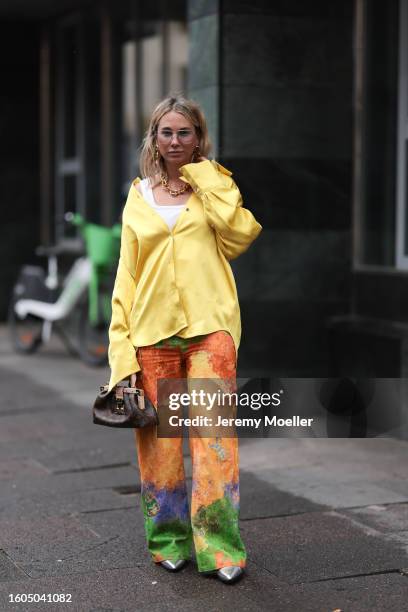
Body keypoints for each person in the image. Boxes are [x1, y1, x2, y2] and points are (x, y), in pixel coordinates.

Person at [107, 93, 262, 584]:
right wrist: (120, 351)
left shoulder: (213, 186)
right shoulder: (138, 196)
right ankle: (169, 541)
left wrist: (205, 177)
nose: (175, 141)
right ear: (154, 138)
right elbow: (126, 277)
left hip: (209, 330)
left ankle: (220, 549)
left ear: (199, 137)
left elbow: (240, 236)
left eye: (184, 132)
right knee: (161, 447)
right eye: (166, 132)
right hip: (151, 333)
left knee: (214, 441)